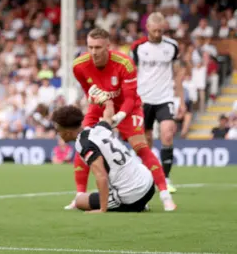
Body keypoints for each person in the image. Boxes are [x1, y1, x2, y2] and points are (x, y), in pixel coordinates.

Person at [67, 28, 176, 212]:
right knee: (83, 143)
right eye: (90, 47)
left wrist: (119, 117)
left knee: (140, 146)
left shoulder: (124, 63)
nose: (93, 52)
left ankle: (166, 196)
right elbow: (89, 93)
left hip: (127, 108)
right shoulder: (79, 65)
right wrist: (96, 101)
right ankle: (79, 195)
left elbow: (130, 99)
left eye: (98, 47)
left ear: (108, 47)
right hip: (100, 106)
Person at [52, 105, 156, 213]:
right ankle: (140, 201)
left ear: (67, 131)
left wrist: (102, 209)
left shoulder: (83, 144)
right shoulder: (99, 128)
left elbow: (101, 176)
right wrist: (106, 102)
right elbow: (108, 115)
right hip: (149, 184)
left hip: (133, 195)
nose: (58, 133)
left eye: (59, 130)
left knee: (80, 201)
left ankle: (136, 204)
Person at [131, 12, 184, 193]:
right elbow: (133, 73)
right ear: (147, 28)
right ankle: (147, 177)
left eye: (161, 31)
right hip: (144, 99)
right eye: (154, 31)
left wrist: (181, 100)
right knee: (146, 139)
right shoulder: (138, 47)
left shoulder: (172, 46)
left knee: (167, 134)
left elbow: (178, 73)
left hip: (165, 98)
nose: (157, 34)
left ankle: (166, 178)